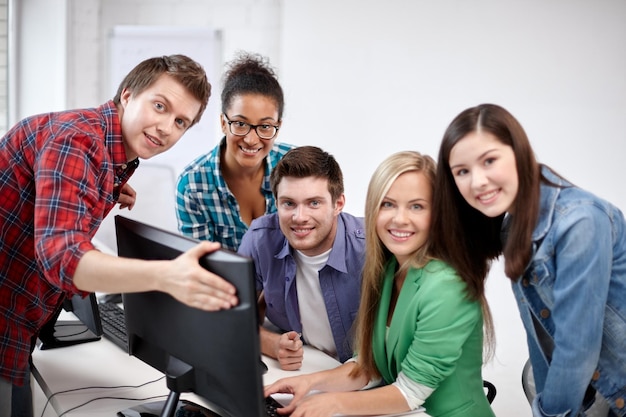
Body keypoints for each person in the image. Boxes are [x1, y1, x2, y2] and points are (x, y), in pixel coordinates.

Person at [0, 54, 239, 417]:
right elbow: (62, 258)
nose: (166, 127)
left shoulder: (109, 154)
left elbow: (53, 210)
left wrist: (107, 189)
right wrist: (165, 276)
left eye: (180, 122)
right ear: (127, 95)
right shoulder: (77, 140)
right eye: (159, 106)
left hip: (17, 325)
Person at [264, 151, 495, 417]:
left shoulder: (448, 285)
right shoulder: (389, 269)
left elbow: (411, 391)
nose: (399, 219)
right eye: (388, 204)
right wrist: (310, 382)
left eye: (417, 206)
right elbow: (370, 364)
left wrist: (334, 403)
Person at [431, 103, 626, 417]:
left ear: (519, 152)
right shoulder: (512, 227)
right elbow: (541, 340)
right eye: (462, 172)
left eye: (489, 160)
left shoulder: (579, 222)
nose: (477, 181)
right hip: (598, 389)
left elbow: (577, 349)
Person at [237, 146, 365, 371]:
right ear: (276, 203)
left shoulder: (371, 248)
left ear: (338, 204)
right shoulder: (260, 240)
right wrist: (271, 344)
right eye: (289, 203)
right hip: (305, 369)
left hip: (369, 379)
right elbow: (229, 318)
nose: (299, 217)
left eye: (314, 203)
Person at [176, 51, 296, 252]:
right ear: (223, 123)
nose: (251, 139)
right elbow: (198, 264)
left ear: (278, 126)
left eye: (265, 126)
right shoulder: (193, 184)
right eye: (240, 124)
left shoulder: (295, 167)